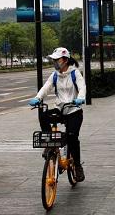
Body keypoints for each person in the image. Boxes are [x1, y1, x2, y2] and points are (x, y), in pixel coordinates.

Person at [28, 47, 87, 182]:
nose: (54, 62)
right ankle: (50, 145)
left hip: (74, 110)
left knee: (72, 137)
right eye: (53, 60)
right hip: (60, 109)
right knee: (43, 115)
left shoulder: (75, 73)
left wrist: (80, 98)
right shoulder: (55, 75)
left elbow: (82, 87)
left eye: (57, 59)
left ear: (65, 60)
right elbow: (46, 87)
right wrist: (37, 98)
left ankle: (77, 166)